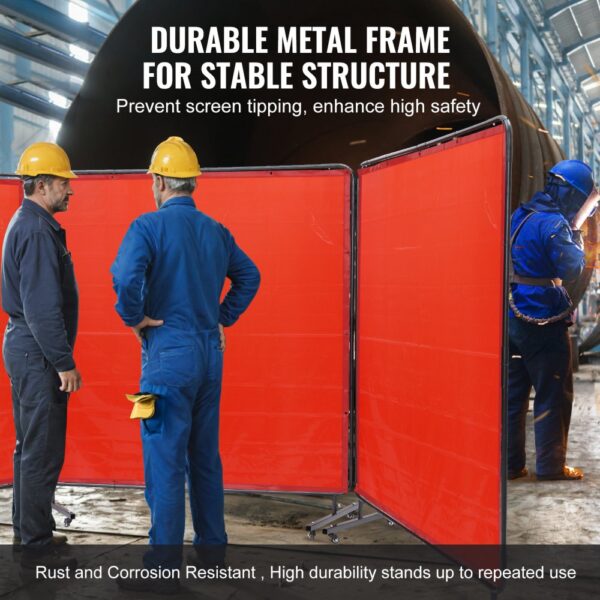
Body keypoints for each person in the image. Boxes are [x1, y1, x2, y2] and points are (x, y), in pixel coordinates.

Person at [110, 137, 260, 578]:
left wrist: (135, 318)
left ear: (158, 181)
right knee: (204, 457)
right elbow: (250, 276)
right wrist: (220, 317)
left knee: (164, 458)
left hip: (165, 359)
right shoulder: (216, 231)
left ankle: (162, 569)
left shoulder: (147, 227)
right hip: (208, 356)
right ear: (192, 183)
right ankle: (212, 554)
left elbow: (123, 275)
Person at [2, 142, 81, 566]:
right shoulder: (34, 230)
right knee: (41, 450)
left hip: (27, 350)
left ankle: (27, 533)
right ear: (43, 184)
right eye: (64, 183)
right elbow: (42, 307)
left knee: (28, 447)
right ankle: (35, 543)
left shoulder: (32, 223)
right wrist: (64, 362)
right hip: (38, 355)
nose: (70, 191)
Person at [508, 159, 597, 481]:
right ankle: (550, 466)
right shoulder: (555, 224)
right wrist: (577, 230)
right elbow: (572, 269)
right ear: (574, 196)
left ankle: (511, 465)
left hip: (512, 316)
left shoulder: (521, 214)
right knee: (553, 392)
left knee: (514, 396)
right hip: (542, 318)